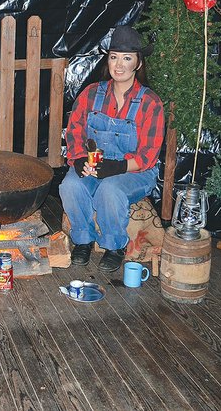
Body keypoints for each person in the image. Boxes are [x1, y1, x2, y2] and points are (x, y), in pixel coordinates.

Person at [59, 25, 164, 272]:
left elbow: (148, 155)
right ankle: (83, 240)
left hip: (134, 171)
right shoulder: (91, 94)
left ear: (138, 64)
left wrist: (117, 167)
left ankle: (114, 245)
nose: (119, 65)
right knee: (70, 185)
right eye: (114, 57)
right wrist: (77, 160)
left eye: (127, 58)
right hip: (95, 165)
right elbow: (74, 131)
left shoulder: (150, 103)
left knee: (109, 189)